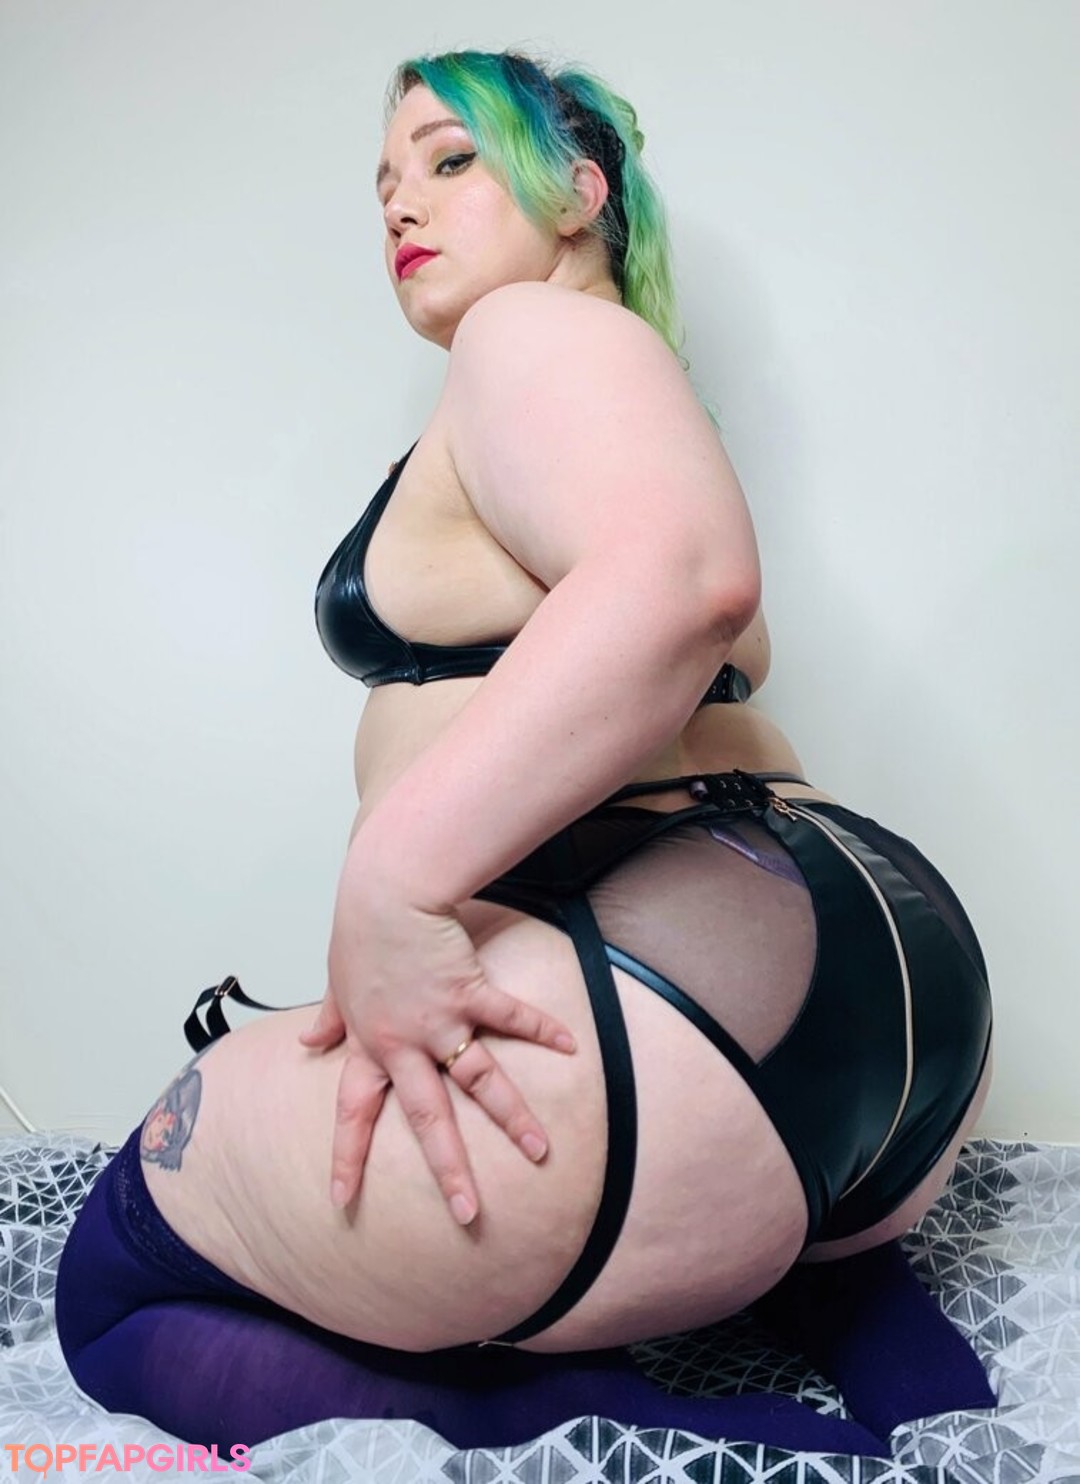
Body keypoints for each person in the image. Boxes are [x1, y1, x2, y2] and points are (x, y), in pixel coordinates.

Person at [55, 49, 995, 1457]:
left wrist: (394, 884)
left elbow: (681, 583)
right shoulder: (630, 392)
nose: (399, 205)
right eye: (383, 184)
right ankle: (866, 1318)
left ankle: (602, 1421)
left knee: (110, 1285)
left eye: (449, 160)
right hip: (895, 1012)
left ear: (579, 193)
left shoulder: (527, 335)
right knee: (715, 1180)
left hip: (669, 1009)